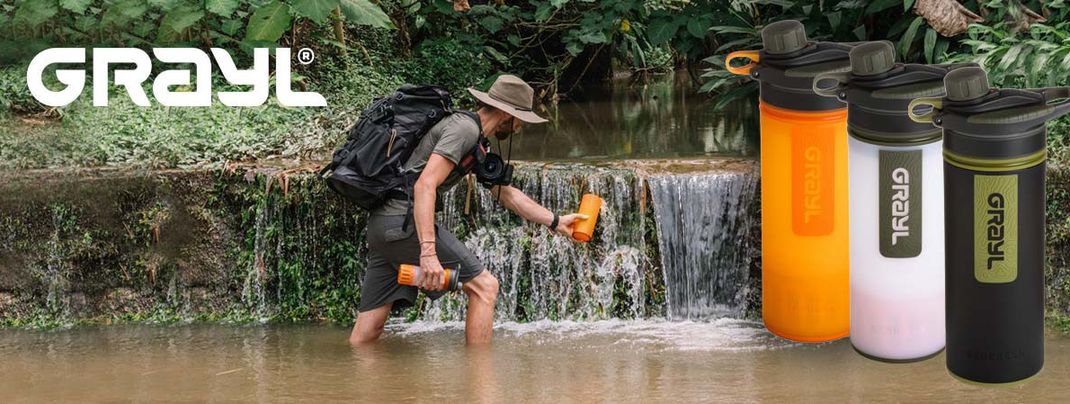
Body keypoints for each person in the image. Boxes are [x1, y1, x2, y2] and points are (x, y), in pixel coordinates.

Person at [348, 75, 588, 345]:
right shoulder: (464, 130)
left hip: (383, 226)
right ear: (507, 113)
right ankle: (480, 382)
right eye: (520, 117)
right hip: (404, 224)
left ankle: (354, 384)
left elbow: (505, 193)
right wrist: (428, 253)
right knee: (485, 288)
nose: (519, 126)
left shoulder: (476, 141)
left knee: (365, 335)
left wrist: (555, 221)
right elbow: (424, 186)